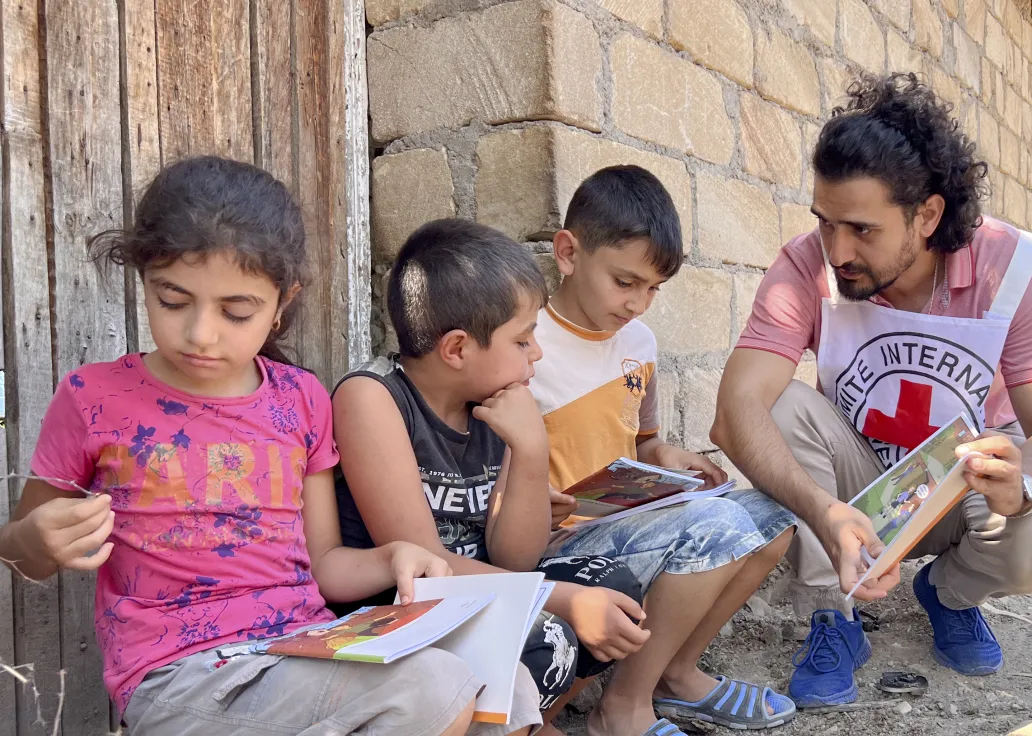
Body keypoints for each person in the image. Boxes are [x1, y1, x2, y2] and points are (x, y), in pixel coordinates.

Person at [0, 157, 539, 736]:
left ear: (282, 303)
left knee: (505, 683)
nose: (201, 333)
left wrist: (393, 558)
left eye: (237, 311)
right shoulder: (93, 398)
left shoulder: (300, 398)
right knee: (431, 691)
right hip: (179, 673)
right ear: (144, 280)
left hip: (302, 646)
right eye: (172, 300)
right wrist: (33, 539)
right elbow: (19, 554)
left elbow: (325, 567)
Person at [712, 72, 1032, 706]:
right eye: (825, 222)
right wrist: (821, 509)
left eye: (862, 229)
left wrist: (1021, 481)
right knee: (774, 404)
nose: (836, 250)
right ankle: (833, 614)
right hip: (858, 489)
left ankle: (947, 593)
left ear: (928, 215)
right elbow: (734, 411)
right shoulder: (806, 263)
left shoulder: (1014, 268)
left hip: (962, 487)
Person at [331, 219, 647, 735]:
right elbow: (425, 570)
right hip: (399, 608)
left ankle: (520, 719)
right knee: (553, 632)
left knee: (613, 586)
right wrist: (561, 599)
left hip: (480, 589)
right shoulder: (374, 399)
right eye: (523, 340)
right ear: (457, 349)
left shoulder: (492, 402)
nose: (536, 354)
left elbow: (515, 557)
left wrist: (529, 450)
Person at [531, 166, 799, 736]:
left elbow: (642, 439)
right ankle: (622, 707)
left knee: (773, 521)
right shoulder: (525, 343)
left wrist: (669, 457)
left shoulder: (639, 345)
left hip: (624, 514)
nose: (638, 304)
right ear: (568, 253)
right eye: (625, 282)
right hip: (559, 534)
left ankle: (675, 672)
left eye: (653, 289)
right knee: (718, 529)